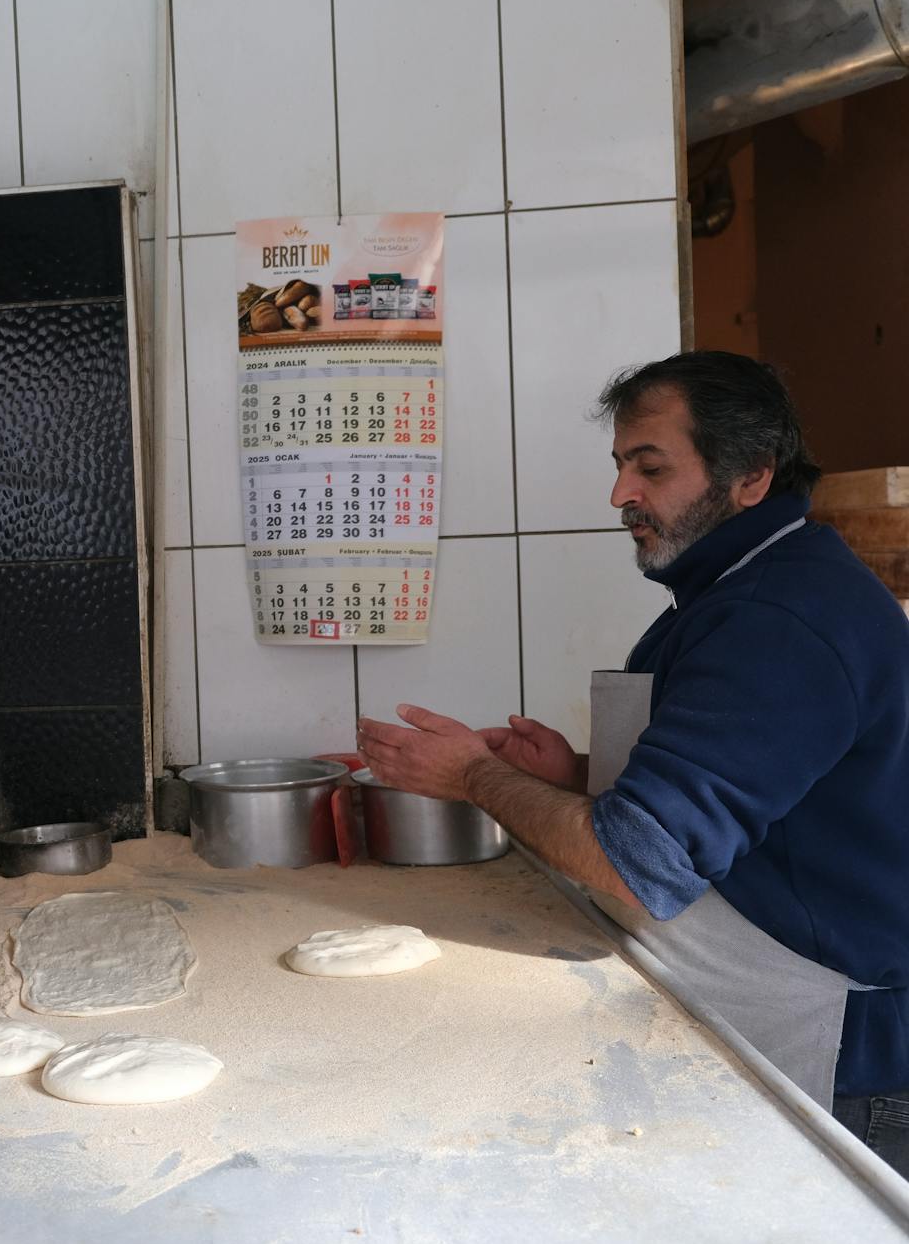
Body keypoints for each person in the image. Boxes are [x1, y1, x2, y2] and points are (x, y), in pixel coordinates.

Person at [356, 351, 909, 1174]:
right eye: (620, 466)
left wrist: (472, 776)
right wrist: (574, 774)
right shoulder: (726, 593)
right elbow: (747, 802)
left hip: (833, 1060)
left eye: (650, 467)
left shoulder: (780, 621)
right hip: (747, 1012)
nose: (621, 495)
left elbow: (635, 859)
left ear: (752, 475)